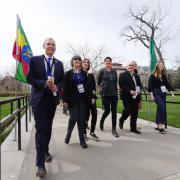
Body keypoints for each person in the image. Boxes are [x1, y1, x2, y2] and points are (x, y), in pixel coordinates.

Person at [27, 37, 64, 177]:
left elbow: (62, 81)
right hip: (39, 101)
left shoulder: (59, 64)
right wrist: (44, 83)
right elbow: (29, 78)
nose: (51, 46)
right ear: (43, 45)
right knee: (41, 129)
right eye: (48, 44)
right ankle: (40, 165)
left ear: (55, 48)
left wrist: (56, 87)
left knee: (48, 128)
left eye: (53, 44)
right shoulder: (35, 60)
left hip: (52, 101)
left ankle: (46, 150)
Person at [63, 55, 91, 148]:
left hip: (82, 99)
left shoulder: (83, 73)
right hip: (72, 100)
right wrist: (65, 101)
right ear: (72, 61)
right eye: (75, 59)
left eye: (79, 59)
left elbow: (87, 87)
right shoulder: (68, 73)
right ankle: (68, 134)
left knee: (80, 119)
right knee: (73, 118)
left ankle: (82, 140)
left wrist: (91, 96)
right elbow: (65, 88)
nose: (77, 60)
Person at [148, 61, 175, 134]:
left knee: (160, 108)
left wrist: (172, 93)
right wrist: (151, 95)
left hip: (163, 93)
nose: (161, 66)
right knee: (162, 107)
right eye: (160, 65)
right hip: (156, 93)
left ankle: (157, 125)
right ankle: (160, 125)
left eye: (162, 65)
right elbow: (150, 86)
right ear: (157, 66)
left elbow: (167, 84)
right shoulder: (152, 75)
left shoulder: (163, 75)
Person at [97, 57, 119, 137]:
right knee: (107, 111)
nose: (108, 62)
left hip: (114, 94)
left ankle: (114, 129)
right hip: (105, 94)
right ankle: (102, 120)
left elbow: (116, 81)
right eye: (107, 61)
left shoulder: (114, 71)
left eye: (109, 61)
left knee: (114, 112)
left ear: (111, 63)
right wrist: (102, 89)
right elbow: (98, 82)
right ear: (104, 62)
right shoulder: (102, 71)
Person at [119, 61, 142, 134]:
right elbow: (121, 84)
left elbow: (139, 85)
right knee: (128, 110)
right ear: (127, 67)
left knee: (135, 113)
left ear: (134, 67)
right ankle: (122, 119)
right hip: (126, 96)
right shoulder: (122, 74)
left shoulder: (136, 75)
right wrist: (130, 91)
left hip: (136, 96)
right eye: (129, 65)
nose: (131, 66)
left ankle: (133, 128)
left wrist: (139, 91)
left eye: (132, 65)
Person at [82, 58, 99, 141]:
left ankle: (92, 132)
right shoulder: (80, 74)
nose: (86, 63)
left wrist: (94, 96)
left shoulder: (91, 75)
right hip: (84, 99)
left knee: (95, 114)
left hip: (92, 98)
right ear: (82, 64)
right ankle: (84, 133)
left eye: (87, 62)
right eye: (84, 62)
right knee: (85, 116)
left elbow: (94, 87)